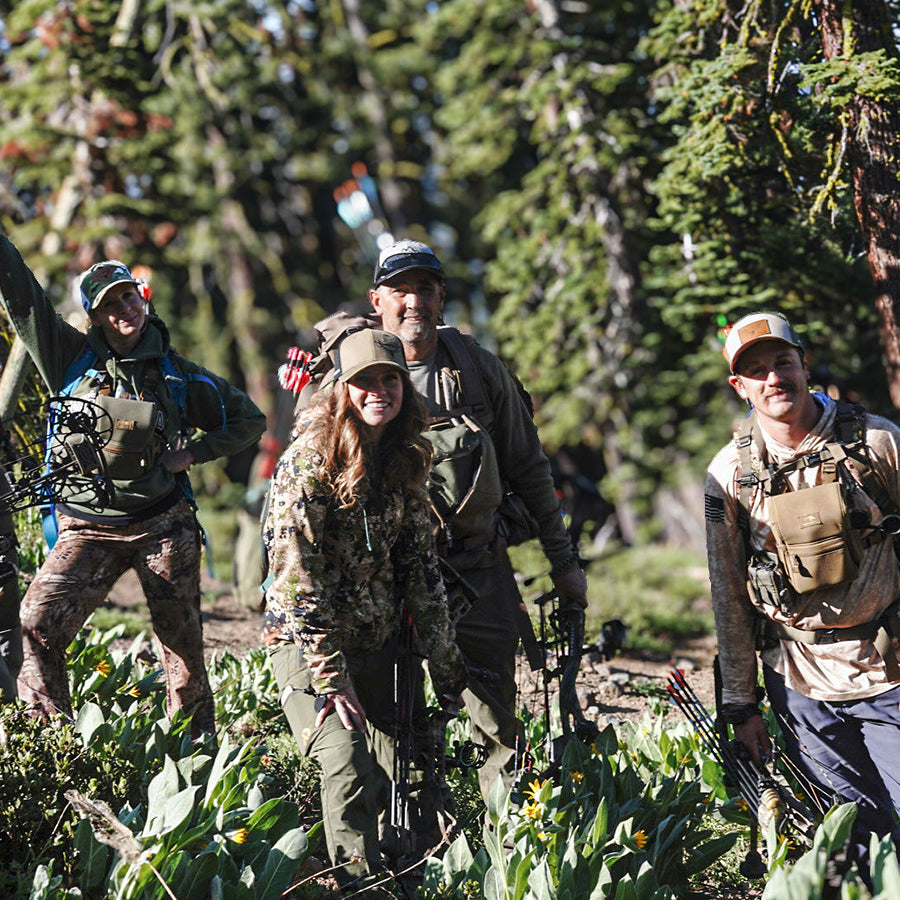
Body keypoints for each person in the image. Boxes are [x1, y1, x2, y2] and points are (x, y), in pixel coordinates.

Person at [0, 233, 266, 737]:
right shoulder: (66, 358)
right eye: (109, 303)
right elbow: (21, 298)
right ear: (94, 316)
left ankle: (194, 752)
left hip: (164, 526)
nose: (124, 308)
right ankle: (51, 747)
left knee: (181, 649)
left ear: (141, 297)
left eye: (129, 295)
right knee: (35, 627)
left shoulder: (180, 376)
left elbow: (248, 419)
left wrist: (195, 452)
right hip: (87, 529)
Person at [364, 239, 588, 799]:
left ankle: (505, 842)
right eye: (400, 290)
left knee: (495, 714)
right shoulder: (356, 374)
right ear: (377, 301)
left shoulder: (479, 371)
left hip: (475, 568)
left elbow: (531, 469)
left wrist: (564, 563)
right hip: (382, 579)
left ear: (441, 296)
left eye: (424, 289)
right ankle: (412, 845)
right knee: (395, 716)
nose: (412, 302)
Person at [262, 328, 466, 886]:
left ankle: (416, 874)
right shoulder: (310, 463)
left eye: (390, 379)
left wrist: (447, 668)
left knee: (414, 762)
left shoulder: (403, 460)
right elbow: (293, 584)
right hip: (309, 645)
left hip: (375, 639)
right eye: (364, 382)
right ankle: (357, 886)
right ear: (342, 390)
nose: (379, 391)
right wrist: (332, 680)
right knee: (348, 759)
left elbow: (420, 570)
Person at [705, 310, 900, 869]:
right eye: (757, 371)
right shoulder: (727, 476)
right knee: (850, 840)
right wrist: (741, 704)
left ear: (804, 364)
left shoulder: (880, 443)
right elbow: (728, 595)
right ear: (738, 387)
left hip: (889, 671)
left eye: (783, 362)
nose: (774, 379)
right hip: (800, 688)